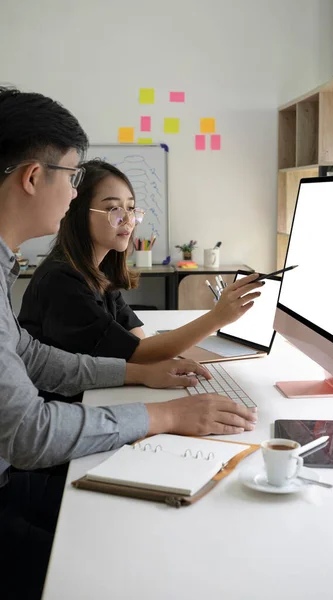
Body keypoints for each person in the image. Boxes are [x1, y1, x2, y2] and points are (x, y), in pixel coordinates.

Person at [0, 87, 258, 600]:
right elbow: (28, 434)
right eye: (72, 179)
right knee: (129, 564)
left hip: (17, 471)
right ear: (34, 177)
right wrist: (164, 416)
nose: (73, 195)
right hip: (17, 474)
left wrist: (137, 375)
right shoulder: (57, 277)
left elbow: (26, 354)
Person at [19, 159, 264, 371]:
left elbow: (133, 332)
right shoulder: (62, 280)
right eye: (113, 208)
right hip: (60, 408)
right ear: (79, 213)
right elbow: (135, 353)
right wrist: (216, 318)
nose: (128, 219)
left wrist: (153, 357)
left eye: (131, 208)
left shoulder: (98, 269)